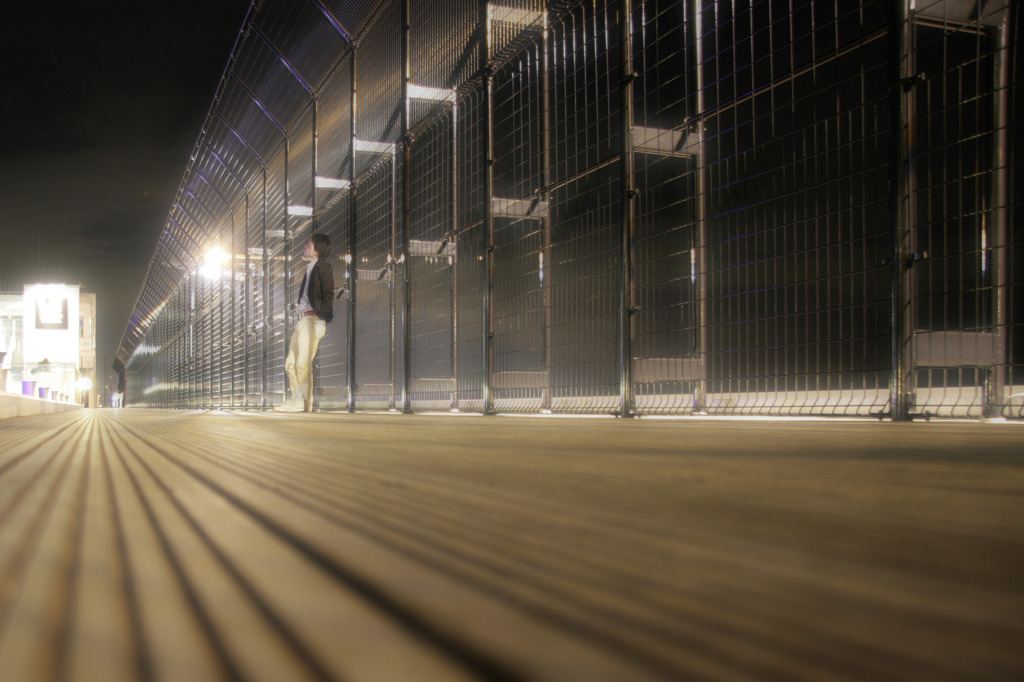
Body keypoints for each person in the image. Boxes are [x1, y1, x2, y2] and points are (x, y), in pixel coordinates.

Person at [275, 233, 334, 412]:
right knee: (290, 363)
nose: (305, 245)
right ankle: (298, 400)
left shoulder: (324, 267)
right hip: (302, 321)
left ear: (317, 248)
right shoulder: (309, 268)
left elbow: (328, 294)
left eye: (309, 243)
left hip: (313, 319)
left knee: (302, 363)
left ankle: (301, 402)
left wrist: (323, 319)